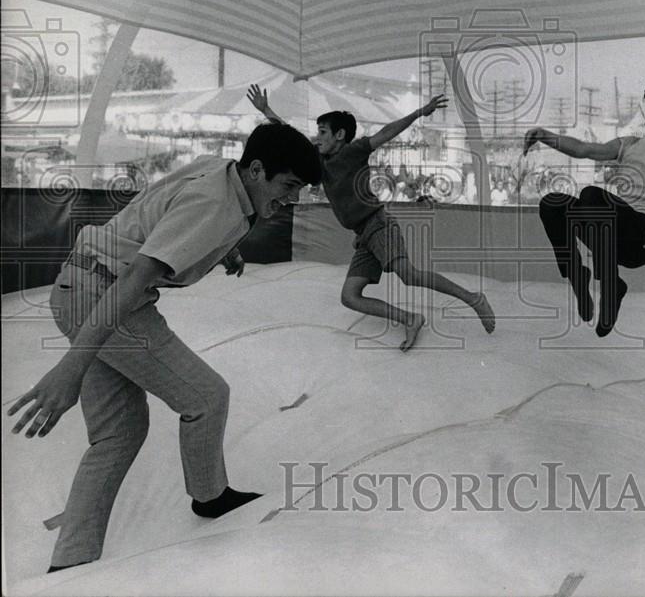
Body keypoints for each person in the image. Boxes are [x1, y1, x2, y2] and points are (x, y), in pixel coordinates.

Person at [7, 123, 322, 573]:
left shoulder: (220, 170)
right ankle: (210, 497)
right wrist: (71, 369)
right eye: (288, 186)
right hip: (108, 295)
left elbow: (158, 206)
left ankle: (70, 564)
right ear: (256, 169)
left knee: (118, 433)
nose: (292, 199)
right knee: (207, 396)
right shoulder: (213, 205)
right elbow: (137, 276)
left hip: (76, 285)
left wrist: (222, 249)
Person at [247, 85, 495, 351]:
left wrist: (420, 112)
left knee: (408, 275)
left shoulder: (352, 152)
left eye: (322, 132)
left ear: (340, 135)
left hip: (378, 225)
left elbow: (386, 132)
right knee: (350, 297)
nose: (316, 138)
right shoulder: (319, 162)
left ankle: (473, 298)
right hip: (363, 235)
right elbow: (289, 137)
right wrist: (266, 110)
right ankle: (410, 319)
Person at [525, 71, 645, 336]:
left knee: (591, 195)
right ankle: (579, 275)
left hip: (641, 235)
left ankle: (609, 284)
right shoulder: (630, 143)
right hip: (608, 229)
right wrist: (544, 135)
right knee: (552, 203)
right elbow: (584, 150)